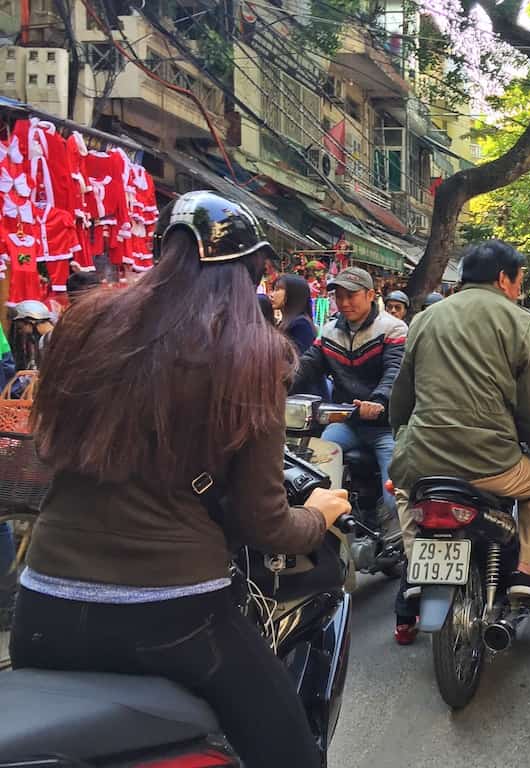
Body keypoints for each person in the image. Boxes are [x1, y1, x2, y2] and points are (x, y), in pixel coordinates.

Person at [10, 190, 351, 768]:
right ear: (250, 274)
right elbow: (263, 520)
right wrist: (320, 513)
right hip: (174, 620)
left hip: (44, 608)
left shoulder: (85, 327)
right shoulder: (252, 357)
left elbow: (48, 451)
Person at [390, 239, 530, 639]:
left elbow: (401, 399)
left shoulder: (424, 319)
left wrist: (403, 439)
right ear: (503, 278)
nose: (518, 289)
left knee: (404, 488)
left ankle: (418, 560)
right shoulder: (521, 322)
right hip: (491, 465)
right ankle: (526, 571)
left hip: (422, 461)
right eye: (518, 280)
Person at [292, 265, 406, 530]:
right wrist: (273, 387)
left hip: (385, 427)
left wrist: (378, 402)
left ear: (369, 295)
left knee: (395, 496)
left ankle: (402, 544)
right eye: (339, 296)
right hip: (346, 423)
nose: (344, 302)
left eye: (351, 295)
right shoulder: (329, 330)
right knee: (312, 470)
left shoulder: (393, 329)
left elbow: (394, 372)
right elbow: (306, 366)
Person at [271, 273, 317, 354]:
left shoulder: (301, 324)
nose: (272, 295)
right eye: (273, 289)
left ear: (293, 293)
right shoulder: (286, 322)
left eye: (278, 289)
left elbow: (299, 360)